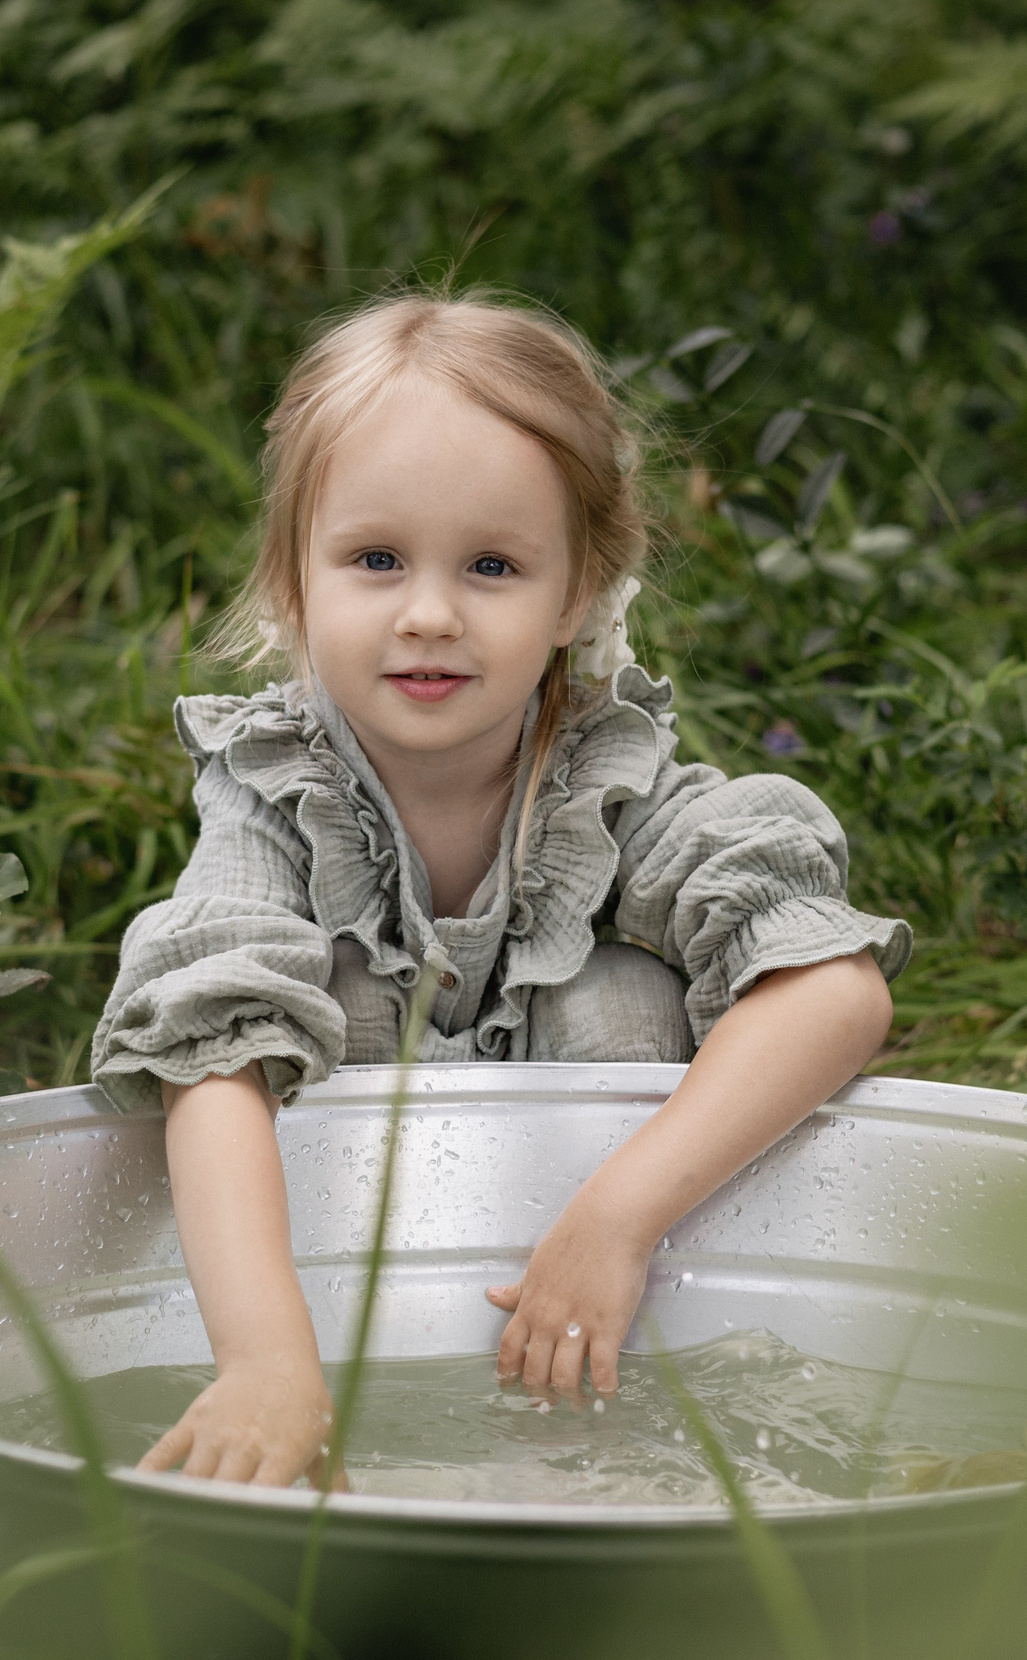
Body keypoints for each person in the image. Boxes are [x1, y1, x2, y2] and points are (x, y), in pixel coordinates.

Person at [90, 292, 910, 1488]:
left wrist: (617, 1218)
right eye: (376, 560)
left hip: (619, 1311)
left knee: (622, 998)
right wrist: (263, 1358)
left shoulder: (609, 787)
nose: (431, 614)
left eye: (492, 565)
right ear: (292, 583)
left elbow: (835, 992)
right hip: (337, 1287)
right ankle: (293, 1377)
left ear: (575, 593)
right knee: (268, 1021)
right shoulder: (278, 791)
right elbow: (211, 1054)